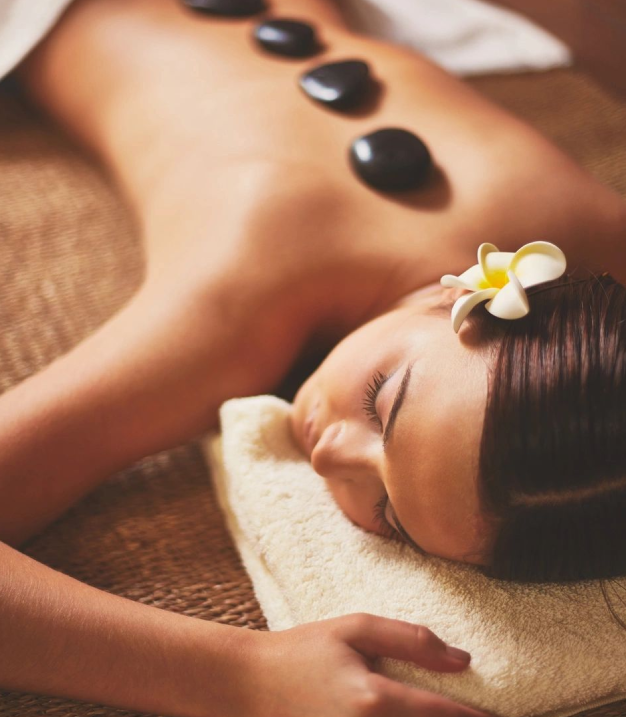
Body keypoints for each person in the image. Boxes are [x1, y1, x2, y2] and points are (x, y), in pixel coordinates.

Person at [1, 0, 625, 715]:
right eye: (379, 401)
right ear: (459, 292)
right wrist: (235, 674)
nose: (330, 454)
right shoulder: (240, 310)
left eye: (387, 510)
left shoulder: (601, 239)